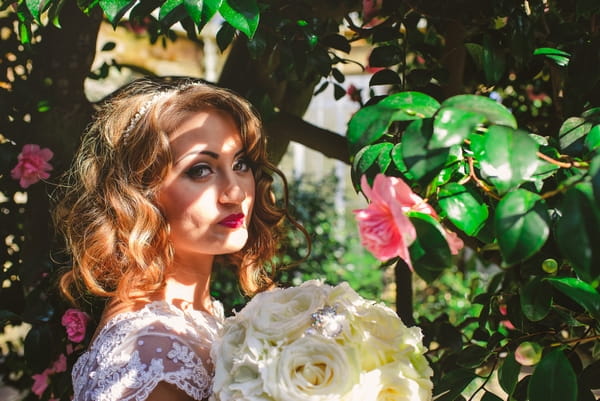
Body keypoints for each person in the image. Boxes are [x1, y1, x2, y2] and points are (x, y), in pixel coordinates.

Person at [53, 77, 305, 401]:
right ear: (140, 193)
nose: (236, 192)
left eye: (240, 164)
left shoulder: (188, 317)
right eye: (200, 170)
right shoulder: (153, 351)